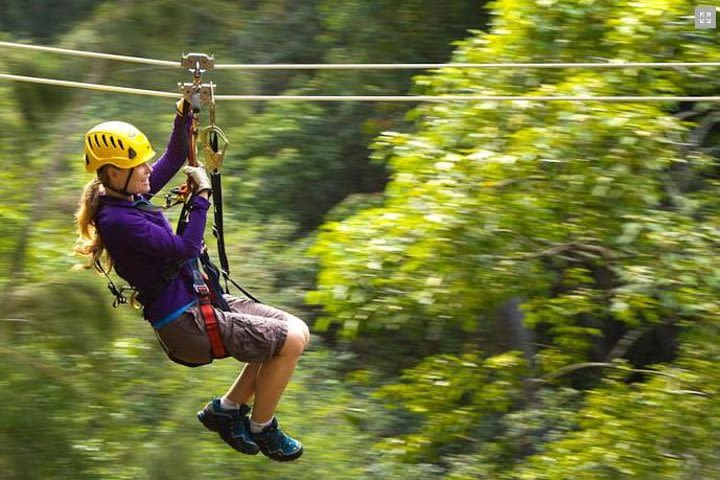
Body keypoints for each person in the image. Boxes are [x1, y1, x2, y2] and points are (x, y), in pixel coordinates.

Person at [74, 100, 309, 462]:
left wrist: (185, 115)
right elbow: (185, 248)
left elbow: (170, 158)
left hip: (201, 302)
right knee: (288, 341)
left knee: (296, 330)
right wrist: (201, 196)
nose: (148, 170)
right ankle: (263, 427)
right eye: (138, 165)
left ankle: (227, 409)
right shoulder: (120, 221)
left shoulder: (129, 198)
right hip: (188, 324)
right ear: (113, 173)